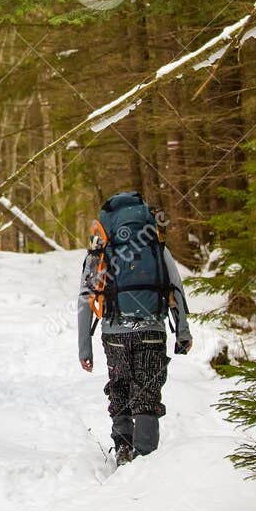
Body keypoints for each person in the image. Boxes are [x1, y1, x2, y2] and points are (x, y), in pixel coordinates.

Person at [76, 191, 192, 464]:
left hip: (115, 332)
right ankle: (146, 461)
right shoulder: (155, 247)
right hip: (152, 329)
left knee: (120, 387)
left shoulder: (99, 253)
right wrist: (183, 332)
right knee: (147, 391)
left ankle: (124, 450)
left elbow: (86, 298)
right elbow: (176, 288)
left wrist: (84, 347)